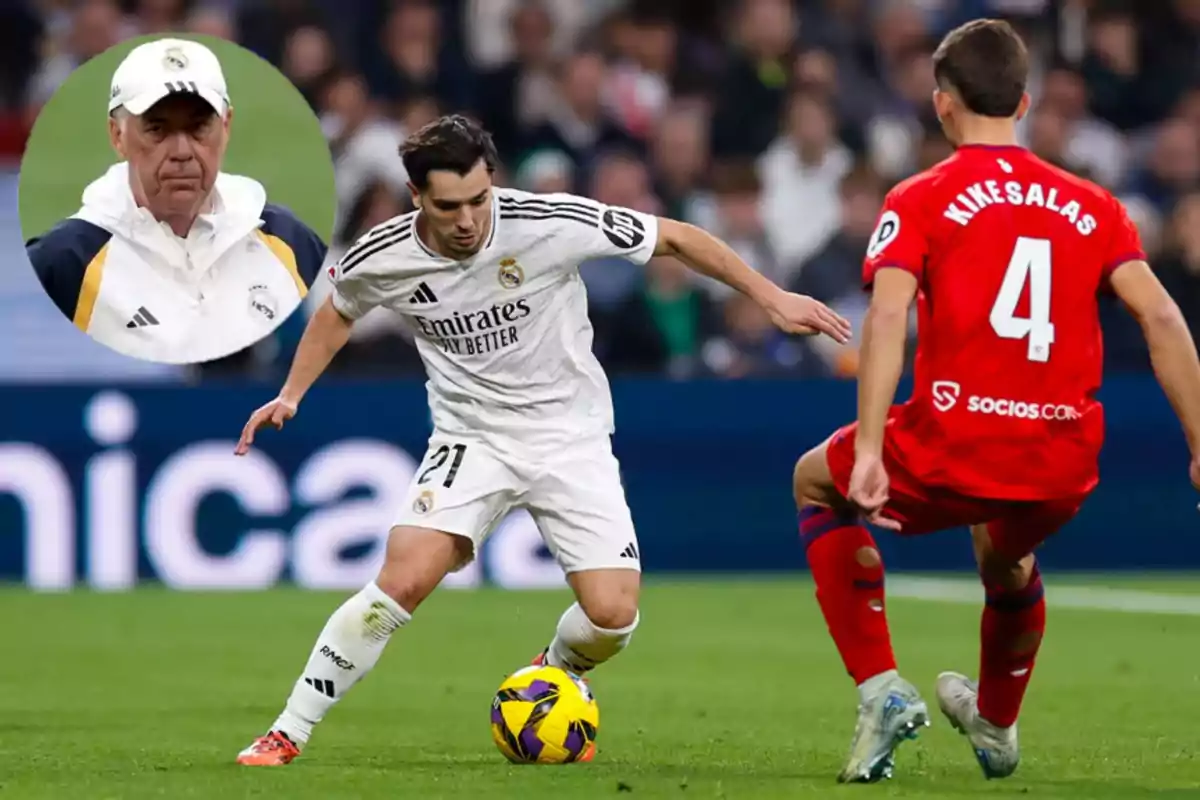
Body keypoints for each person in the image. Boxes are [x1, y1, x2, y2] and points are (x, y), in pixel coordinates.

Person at [232, 114, 852, 766]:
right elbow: (339, 310)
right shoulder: (381, 255)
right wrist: (292, 393)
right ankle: (289, 729)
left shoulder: (548, 222)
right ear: (418, 198)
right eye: (449, 206)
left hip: (571, 436)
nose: (470, 219)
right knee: (402, 579)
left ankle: (552, 669)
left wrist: (773, 297)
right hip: (472, 437)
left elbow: (674, 237)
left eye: (479, 198)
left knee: (613, 616)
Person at [790, 19, 1200, 784]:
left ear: (942, 104)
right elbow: (1163, 317)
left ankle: (880, 688)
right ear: (1025, 99)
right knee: (1005, 555)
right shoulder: (1096, 205)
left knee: (816, 482)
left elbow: (887, 319)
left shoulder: (921, 197)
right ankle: (997, 725)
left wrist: (872, 447)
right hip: (1062, 462)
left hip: (954, 442)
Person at [27, 37, 326, 365]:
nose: (182, 152)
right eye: (157, 129)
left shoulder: (291, 245)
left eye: (199, 128)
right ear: (117, 135)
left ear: (225, 127)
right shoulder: (65, 263)